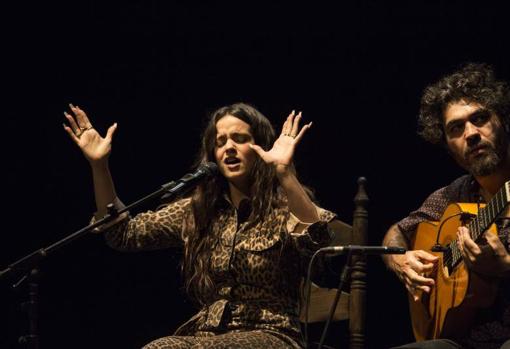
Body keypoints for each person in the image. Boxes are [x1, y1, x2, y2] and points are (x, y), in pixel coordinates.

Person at [63, 102, 336, 349]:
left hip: (272, 335)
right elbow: (124, 233)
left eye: (240, 139)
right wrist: (100, 166)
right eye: (221, 142)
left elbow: (320, 247)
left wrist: (284, 173)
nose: (229, 147)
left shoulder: (284, 206)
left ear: (260, 147)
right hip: (207, 335)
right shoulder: (200, 210)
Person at [382, 63, 510, 349]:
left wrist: (506, 267)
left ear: (501, 120)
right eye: (456, 128)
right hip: (462, 340)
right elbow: (397, 232)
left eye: (480, 118)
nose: (471, 133)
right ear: (447, 144)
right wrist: (401, 260)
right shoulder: (454, 194)